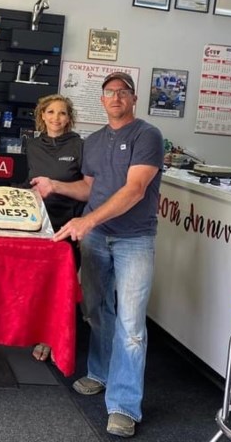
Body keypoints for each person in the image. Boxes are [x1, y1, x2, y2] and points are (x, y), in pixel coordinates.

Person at [31, 72, 163, 439]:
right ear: (102, 101)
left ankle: (123, 405)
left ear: (133, 99)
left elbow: (135, 189)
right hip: (95, 239)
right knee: (95, 310)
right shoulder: (95, 141)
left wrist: (87, 221)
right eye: (109, 93)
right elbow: (89, 187)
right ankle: (100, 373)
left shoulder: (147, 135)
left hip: (133, 239)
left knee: (131, 325)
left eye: (123, 92)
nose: (116, 98)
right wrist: (55, 184)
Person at [26, 93, 84, 363]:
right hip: (39, 225)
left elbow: (88, 188)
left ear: (69, 118)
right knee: (39, 283)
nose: (56, 118)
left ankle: (52, 338)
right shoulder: (32, 146)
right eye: (51, 112)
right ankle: (38, 329)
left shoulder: (80, 146)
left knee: (62, 287)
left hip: (68, 225)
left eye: (62, 113)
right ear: (42, 115)